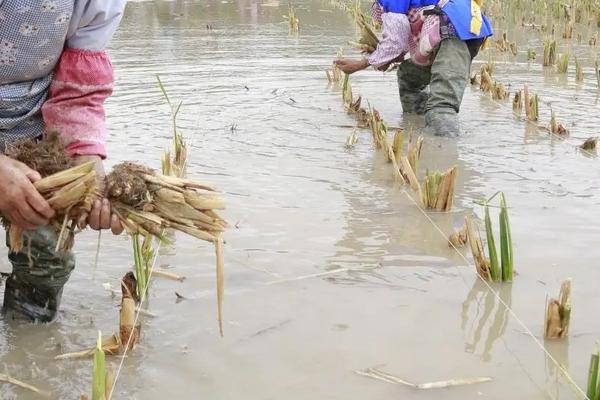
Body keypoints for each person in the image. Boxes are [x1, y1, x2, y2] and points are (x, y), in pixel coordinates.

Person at [0, 0, 127, 322]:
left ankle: (27, 347)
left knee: (44, 254)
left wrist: (86, 166)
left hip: (30, 134)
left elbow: (78, 94)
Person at [335, 0, 493, 137]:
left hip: (453, 34)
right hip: (464, 31)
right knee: (408, 76)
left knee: (442, 108)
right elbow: (406, 38)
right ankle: (416, 124)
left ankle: (444, 153)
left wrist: (361, 64)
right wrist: (386, 57)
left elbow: (395, 41)